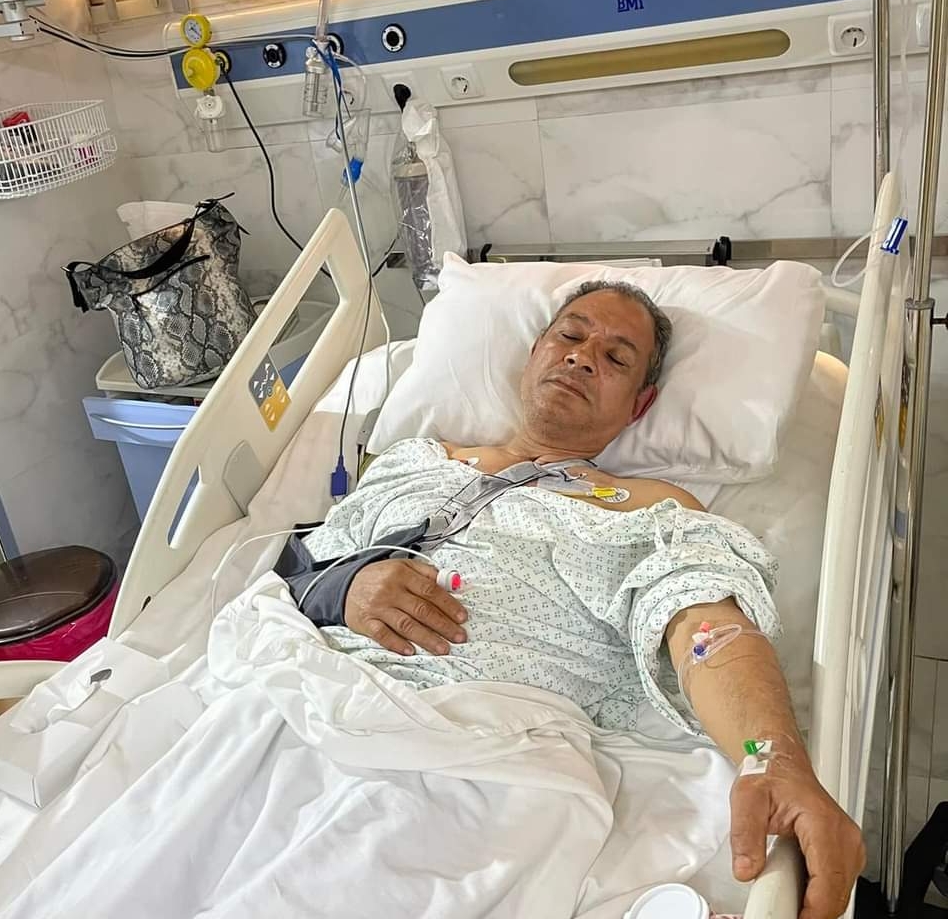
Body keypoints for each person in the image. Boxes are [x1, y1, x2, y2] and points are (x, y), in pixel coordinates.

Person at [285, 279, 866, 919]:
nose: (582, 356)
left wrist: (773, 760)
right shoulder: (413, 462)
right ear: (534, 352)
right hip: (305, 700)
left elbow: (701, 615)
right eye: (570, 334)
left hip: (483, 755)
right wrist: (344, 586)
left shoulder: (651, 507)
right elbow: (292, 574)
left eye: (615, 357)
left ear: (640, 404)